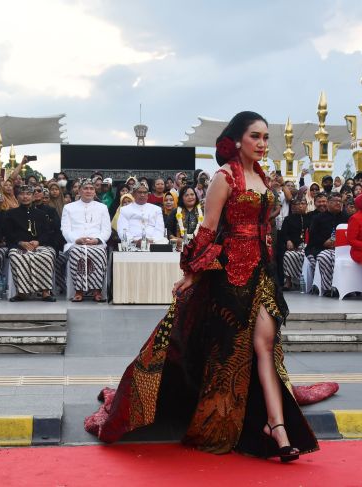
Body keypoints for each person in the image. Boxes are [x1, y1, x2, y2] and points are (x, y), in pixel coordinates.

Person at [85, 111, 319, 461]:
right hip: (229, 278)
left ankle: (277, 425)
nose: (262, 143)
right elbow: (209, 229)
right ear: (238, 140)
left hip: (264, 273)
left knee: (265, 345)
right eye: (255, 136)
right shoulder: (224, 178)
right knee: (229, 353)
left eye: (266, 137)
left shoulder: (264, 177)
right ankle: (244, 422)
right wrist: (192, 273)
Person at [3, 185, 57, 302]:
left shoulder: (41, 214)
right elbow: (8, 233)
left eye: (28, 194)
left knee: (46, 256)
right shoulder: (10, 214)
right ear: (17, 197)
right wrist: (20, 242)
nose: (25, 197)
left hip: (39, 245)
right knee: (17, 257)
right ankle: (22, 292)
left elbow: (47, 233)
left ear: (33, 197)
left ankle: (45, 292)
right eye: (22, 194)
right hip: (18, 245)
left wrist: (38, 241)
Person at [61, 179, 111, 303]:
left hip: (96, 242)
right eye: (85, 188)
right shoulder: (68, 207)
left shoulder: (102, 207)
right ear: (79, 190)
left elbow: (106, 230)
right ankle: (79, 290)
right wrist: (76, 239)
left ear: (95, 191)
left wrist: (97, 240)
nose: (88, 191)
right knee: (78, 252)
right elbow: (65, 229)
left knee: (98, 253)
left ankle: (96, 289)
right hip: (75, 242)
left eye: (91, 188)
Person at [305, 193, 348, 295]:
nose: (338, 203)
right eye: (335, 201)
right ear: (328, 203)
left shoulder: (347, 218)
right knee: (326, 257)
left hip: (341, 249)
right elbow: (313, 237)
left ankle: (343, 287)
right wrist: (324, 242)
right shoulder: (318, 218)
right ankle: (328, 288)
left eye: (340, 201)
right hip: (319, 248)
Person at [280, 198, 310, 290]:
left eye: (303, 203)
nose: (300, 206)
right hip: (294, 246)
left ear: (306, 205)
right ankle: (288, 282)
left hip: (308, 246)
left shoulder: (311, 218)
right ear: (293, 206)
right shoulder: (288, 219)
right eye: (298, 204)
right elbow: (284, 233)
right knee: (288, 255)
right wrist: (288, 241)